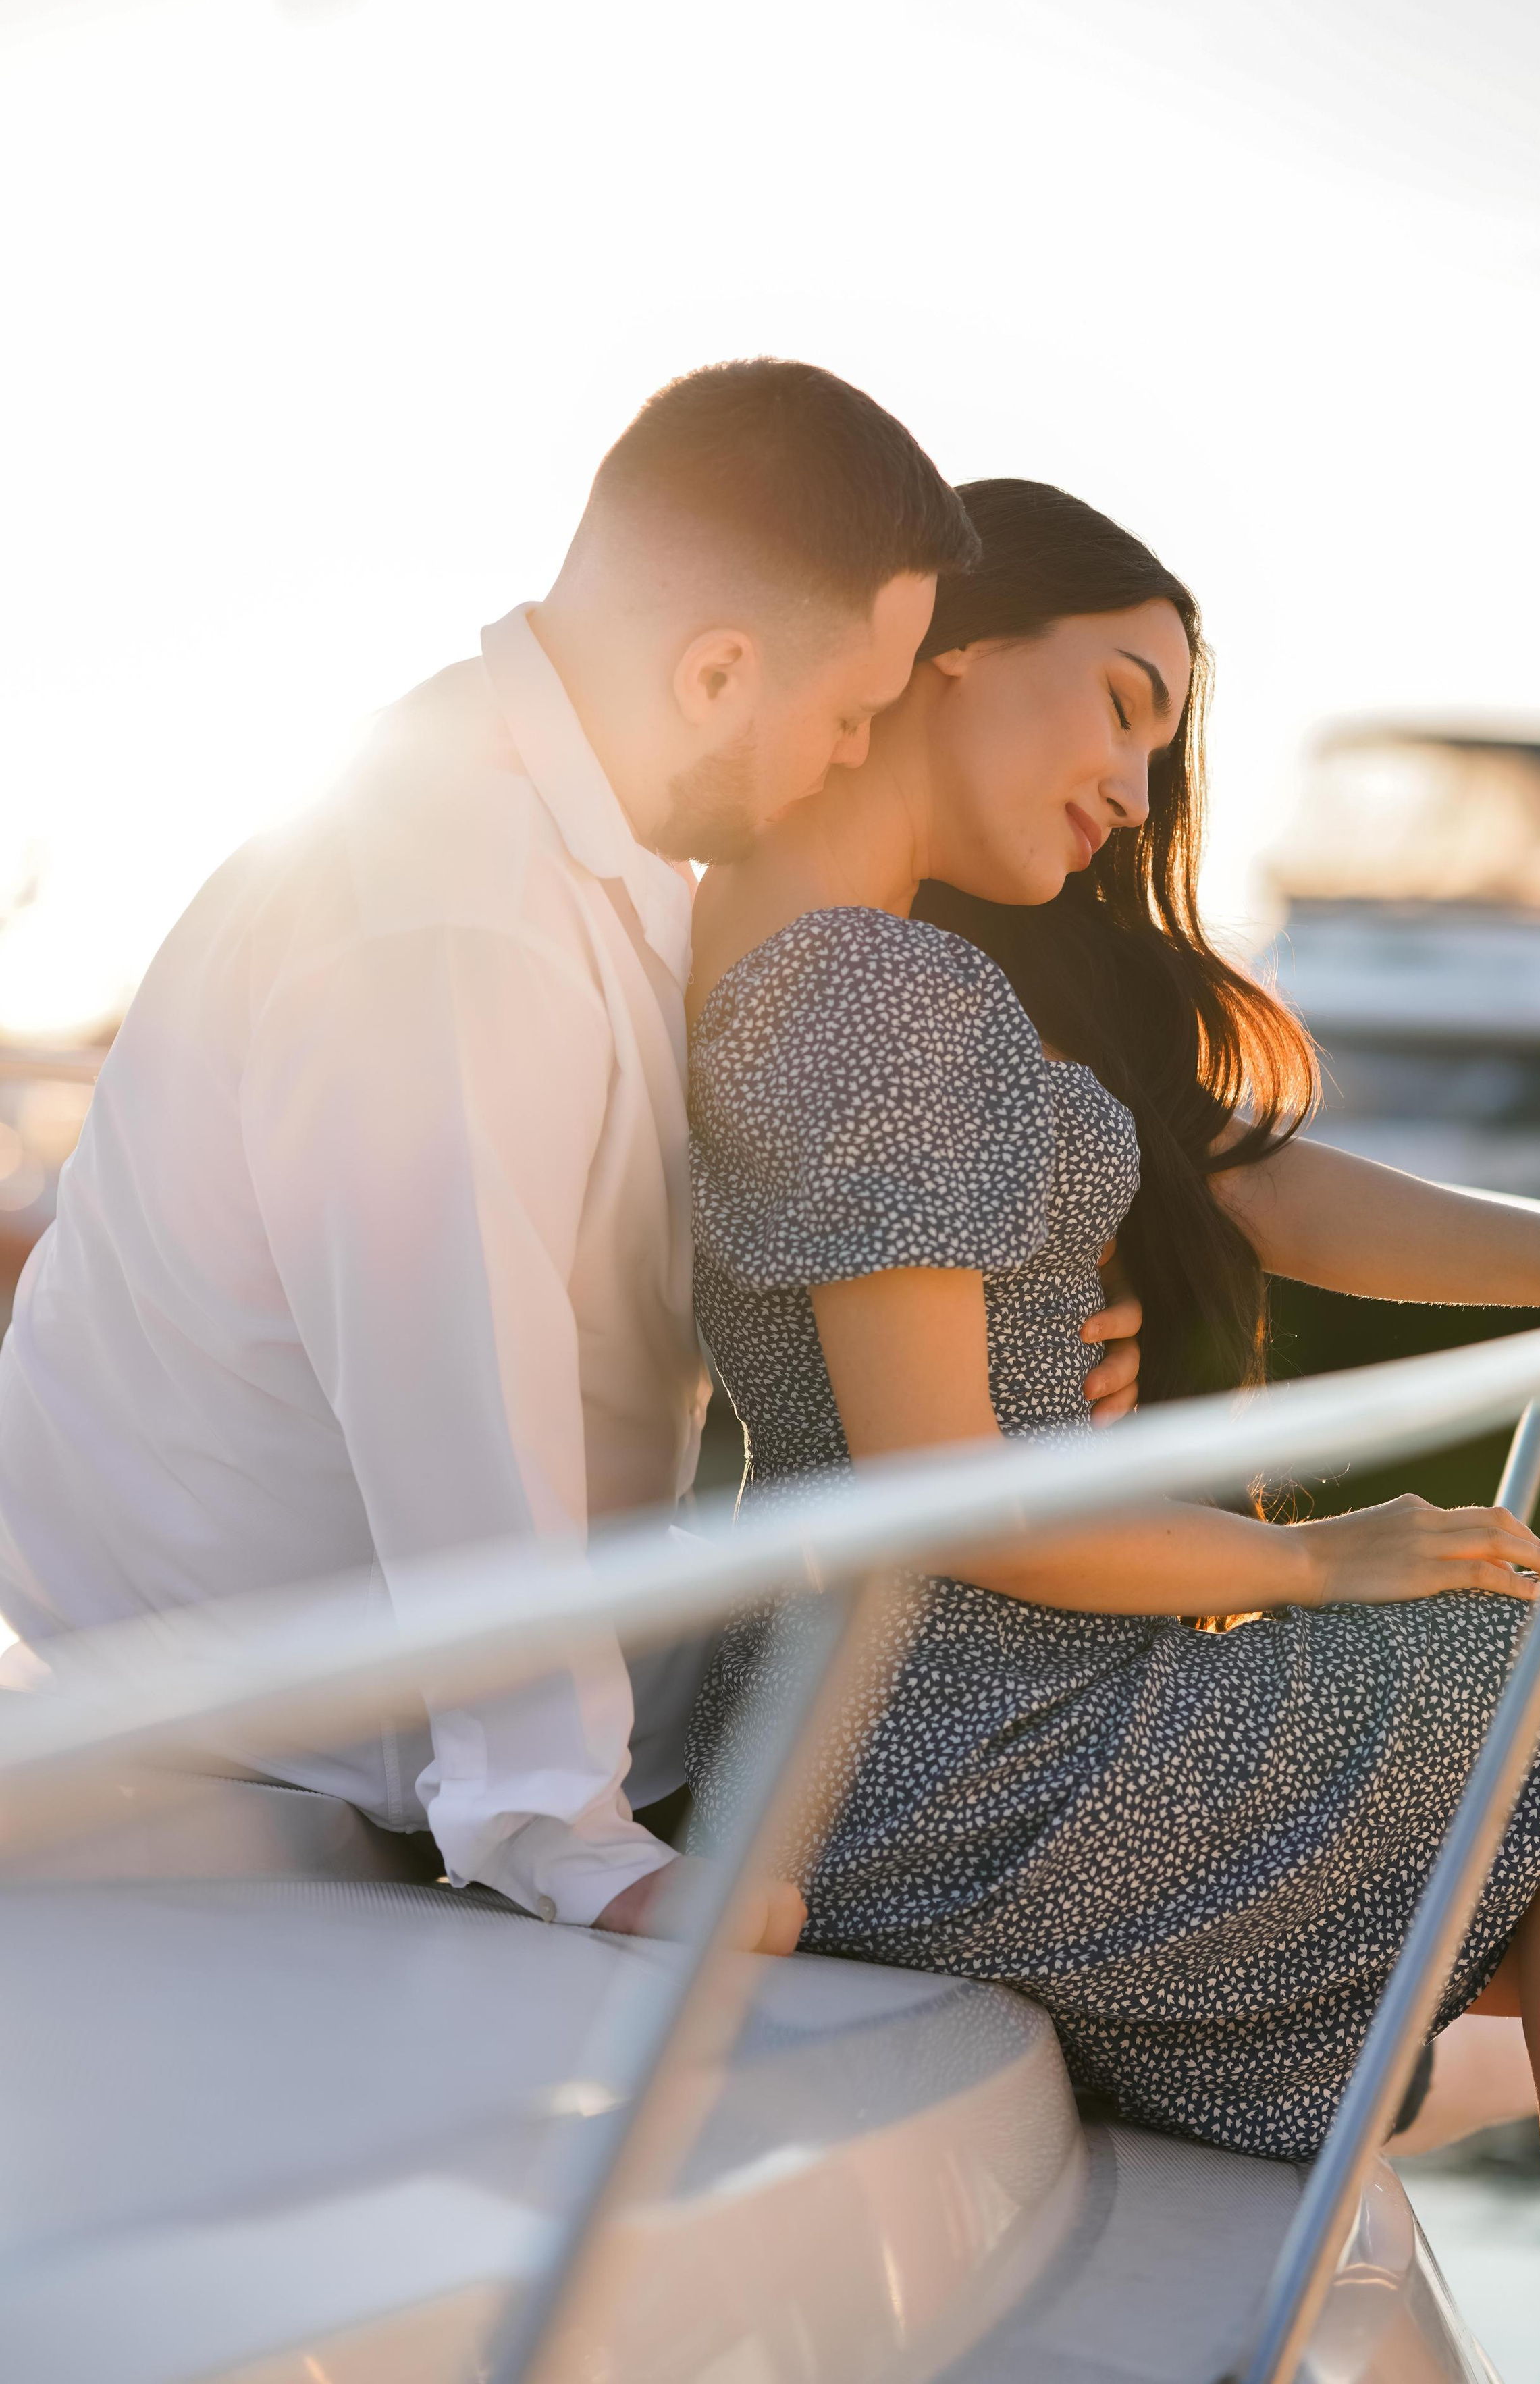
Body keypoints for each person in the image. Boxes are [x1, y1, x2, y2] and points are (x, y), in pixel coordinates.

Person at [686, 478, 1540, 2377]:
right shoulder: (873, 985)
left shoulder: (883, 961)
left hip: (941, 1742)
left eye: (1160, 743)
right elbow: (943, 1491)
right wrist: (1312, 1554)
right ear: (948, 646)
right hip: (964, 1764)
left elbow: (1237, 1180)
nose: (1134, 785)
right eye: (1120, 703)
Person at [0, 366, 1147, 1953]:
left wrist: (1004, 1335)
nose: (853, 756)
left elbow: (632, 1258)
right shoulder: (454, 906)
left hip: (431, 1665)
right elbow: (452, 1367)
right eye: (848, 714)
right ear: (717, 672)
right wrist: (562, 1832)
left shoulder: (587, 843)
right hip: (286, 1706)